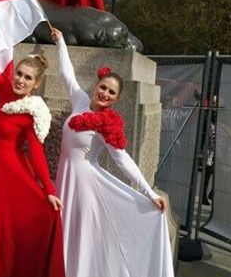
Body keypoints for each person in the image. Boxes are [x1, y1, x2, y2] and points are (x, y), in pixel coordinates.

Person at [51, 27, 174, 277]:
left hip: (85, 187)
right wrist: (60, 41)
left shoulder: (108, 123)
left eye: (111, 92)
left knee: (79, 239)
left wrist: (149, 192)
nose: (105, 94)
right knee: (62, 233)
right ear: (96, 85)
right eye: (103, 87)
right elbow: (67, 73)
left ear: (116, 99)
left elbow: (122, 159)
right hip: (65, 180)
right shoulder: (80, 101)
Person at [0, 21, 66, 277]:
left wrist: (49, 191)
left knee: (7, 230)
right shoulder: (4, 90)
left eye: (27, 78)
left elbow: (36, 152)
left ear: (36, 84)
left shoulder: (32, 112)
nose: (20, 80)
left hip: (12, 175)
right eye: (19, 74)